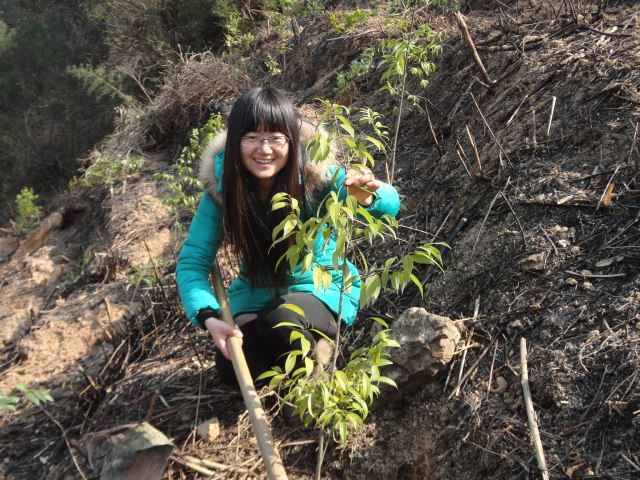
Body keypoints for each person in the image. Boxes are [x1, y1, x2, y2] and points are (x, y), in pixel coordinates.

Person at [176, 86, 400, 387]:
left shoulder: (316, 175)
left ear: (291, 141)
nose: (264, 149)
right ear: (235, 143)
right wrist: (208, 316)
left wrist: (369, 196)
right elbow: (192, 262)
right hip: (253, 297)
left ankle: (318, 375)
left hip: (322, 291)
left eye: (275, 138)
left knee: (279, 318)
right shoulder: (222, 190)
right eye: (252, 138)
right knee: (235, 364)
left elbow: (389, 205)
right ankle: (290, 363)